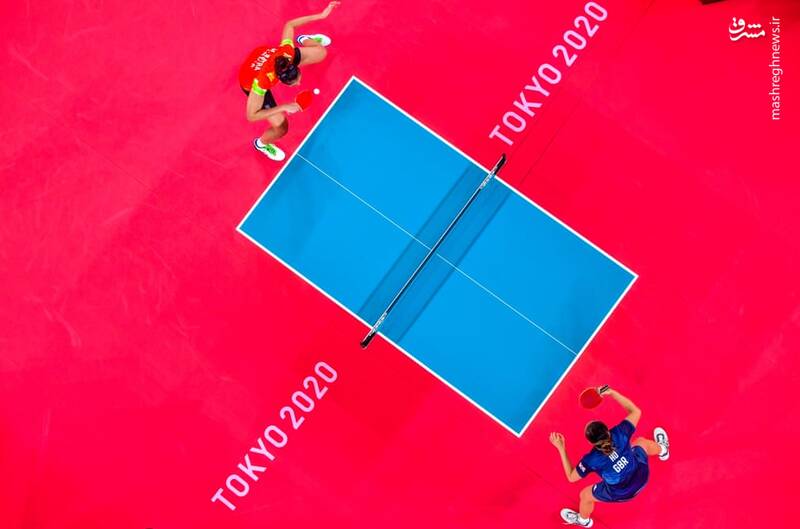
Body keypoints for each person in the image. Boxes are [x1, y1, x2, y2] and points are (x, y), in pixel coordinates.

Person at [548, 387, 670, 527]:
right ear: (607, 430)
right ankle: (663, 450)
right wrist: (612, 393)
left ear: (591, 443)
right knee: (641, 443)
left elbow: (571, 477)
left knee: (585, 496)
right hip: (641, 476)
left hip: (621, 493)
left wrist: (561, 448)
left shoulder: (591, 460)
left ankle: (584, 521)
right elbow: (635, 411)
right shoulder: (620, 433)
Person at [238, 2, 341, 161]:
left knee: (321, 53)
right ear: (280, 80)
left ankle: (305, 39)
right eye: (295, 83)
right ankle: (261, 144)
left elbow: (290, 24)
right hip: (250, 77)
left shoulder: (286, 54)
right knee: (281, 127)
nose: (299, 84)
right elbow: (251, 116)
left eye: (298, 78)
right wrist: (284, 107)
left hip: (266, 56)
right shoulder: (261, 83)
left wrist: (321, 15)